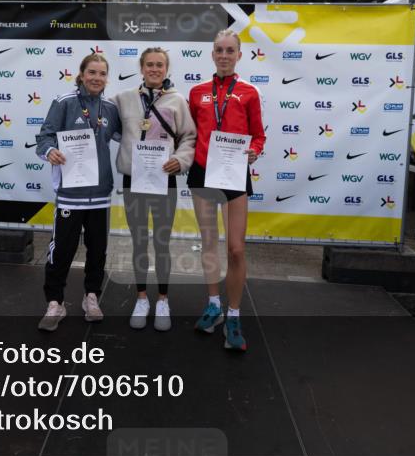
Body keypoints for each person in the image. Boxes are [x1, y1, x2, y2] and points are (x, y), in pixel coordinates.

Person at [187, 29, 266, 352]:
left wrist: (255, 151)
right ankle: (213, 305)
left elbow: (258, 135)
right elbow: (190, 134)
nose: (223, 55)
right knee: (208, 243)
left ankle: (234, 314)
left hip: (234, 174)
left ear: (239, 55)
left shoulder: (249, 92)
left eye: (229, 50)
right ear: (212, 54)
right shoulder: (197, 92)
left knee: (235, 248)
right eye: (219, 49)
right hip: (204, 172)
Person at [36, 53, 121, 332]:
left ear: (107, 77)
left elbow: (130, 137)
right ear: (82, 74)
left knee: (97, 250)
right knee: (61, 250)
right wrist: (51, 151)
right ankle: (55, 302)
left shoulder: (110, 107)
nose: (97, 78)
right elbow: (44, 136)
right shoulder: (64, 102)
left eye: (102, 73)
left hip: (99, 194)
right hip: (70, 194)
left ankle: (91, 297)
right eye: (92, 72)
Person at [113, 48, 196, 331]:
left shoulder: (177, 101)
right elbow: (105, 125)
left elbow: (189, 137)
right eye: (149, 65)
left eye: (159, 65)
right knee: (138, 240)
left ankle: (162, 299)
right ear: (141, 67)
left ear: (166, 68)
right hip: (134, 180)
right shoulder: (124, 99)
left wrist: (181, 159)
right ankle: (141, 298)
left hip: (164, 180)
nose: (154, 69)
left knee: (161, 242)